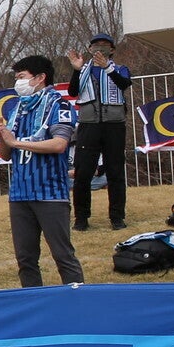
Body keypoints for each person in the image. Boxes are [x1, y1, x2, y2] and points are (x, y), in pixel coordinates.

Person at [0, 56, 84, 288]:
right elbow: (5, 154)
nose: (18, 83)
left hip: (50, 193)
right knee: (25, 259)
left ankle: (79, 299)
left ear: (40, 77)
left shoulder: (59, 105)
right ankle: (32, 300)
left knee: (62, 255)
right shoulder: (17, 108)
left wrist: (16, 142)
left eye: (22, 77)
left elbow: (59, 144)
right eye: (16, 78)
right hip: (19, 194)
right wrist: (3, 135)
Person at [65, 35, 133, 232]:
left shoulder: (119, 68)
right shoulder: (84, 69)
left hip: (114, 125)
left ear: (112, 50)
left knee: (115, 172)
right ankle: (81, 218)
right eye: (96, 45)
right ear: (90, 49)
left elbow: (124, 84)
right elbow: (73, 91)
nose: (100, 48)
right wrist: (76, 69)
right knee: (82, 173)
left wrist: (107, 68)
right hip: (88, 125)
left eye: (105, 45)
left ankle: (117, 217)